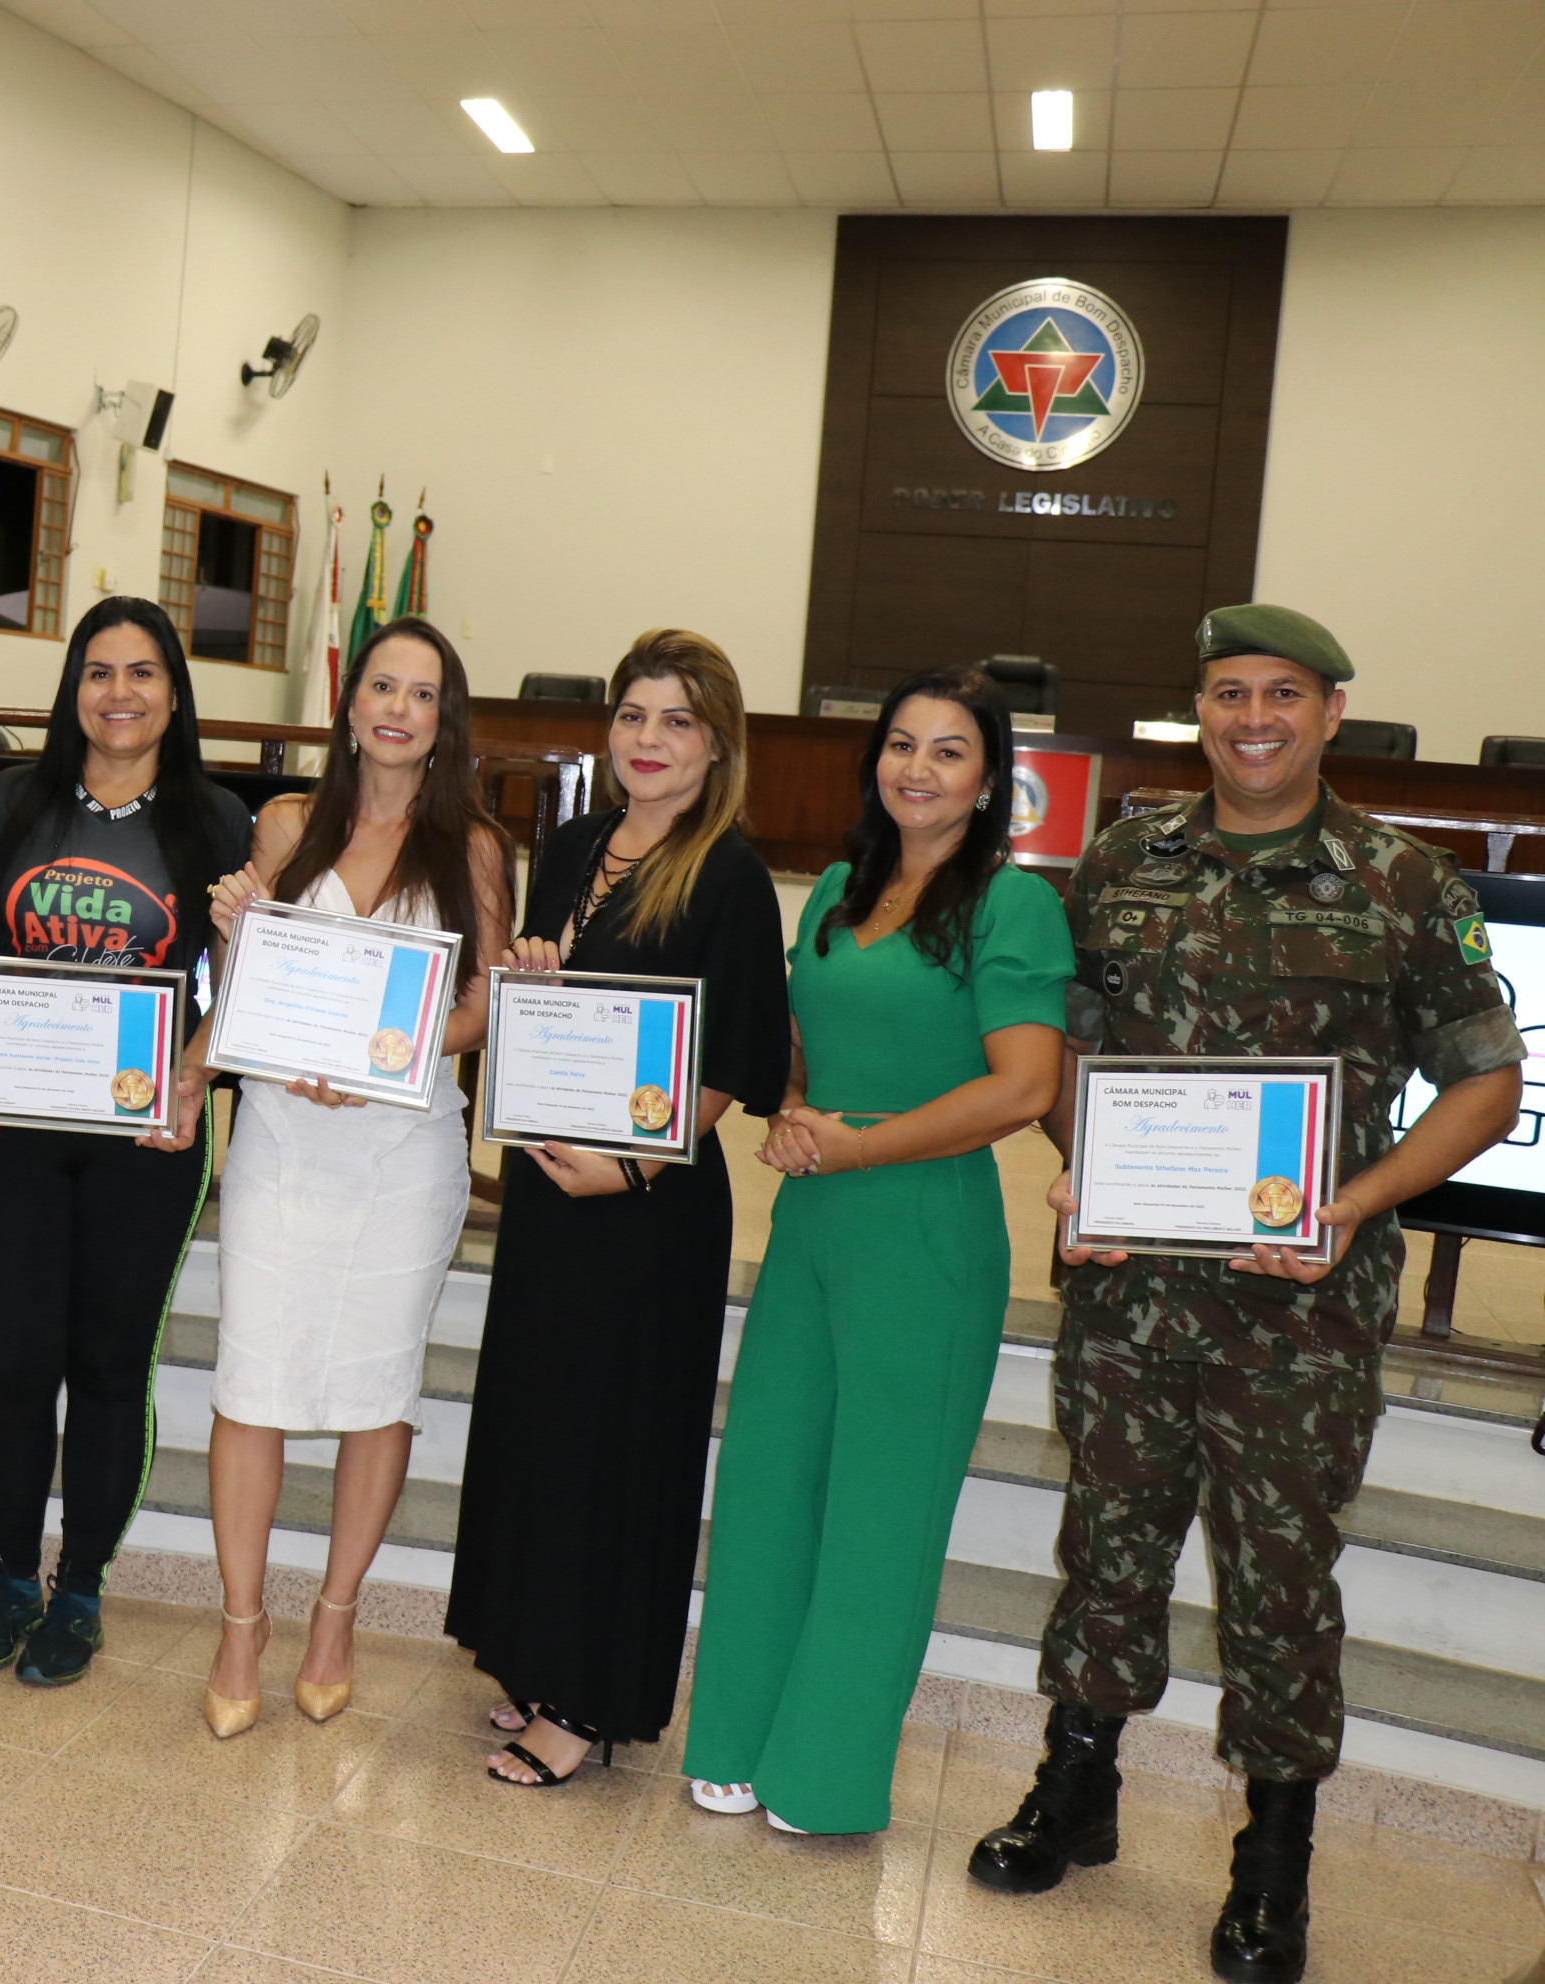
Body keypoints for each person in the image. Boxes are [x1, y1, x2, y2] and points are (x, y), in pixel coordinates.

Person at [966, 607, 1520, 1984]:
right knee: (1108, 1548)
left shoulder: (1401, 882)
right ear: (1197, 711)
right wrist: (1082, 1174)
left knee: (1280, 1586)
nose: (1252, 717)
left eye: (1282, 692)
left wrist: (1355, 1202)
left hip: (1302, 1310)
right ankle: (1075, 1788)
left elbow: (1486, 1081)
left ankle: (1274, 1860)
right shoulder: (1125, 859)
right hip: (1130, 1291)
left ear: (1332, 711)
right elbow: (1060, 1056)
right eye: (1227, 693)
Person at [679, 666, 1067, 1834]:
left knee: (880, 1511)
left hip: (924, 1232)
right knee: (766, 1479)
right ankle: (736, 1735)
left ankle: (829, 1774)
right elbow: (804, 1043)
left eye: (949, 751)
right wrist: (793, 1103)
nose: (917, 767)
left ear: (992, 779)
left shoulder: (1013, 905)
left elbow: (1024, 1085)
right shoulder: (841, 888)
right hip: (812, 1222)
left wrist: (860, 1146)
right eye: (901, 743)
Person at [443, 630, 791, 1788]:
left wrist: (631, 1169)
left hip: (646, 1207)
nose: (649, 740)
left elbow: (731, 1062)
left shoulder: (729, 874)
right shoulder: (578, 840)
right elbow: (550, 1002)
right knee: (540, 1426)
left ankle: (587, 1702)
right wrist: (535, 983)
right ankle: (535, 1664)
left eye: (677, 722)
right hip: (553, 1191)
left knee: (612, 1447)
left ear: (716, 744)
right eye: (634, 716)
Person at [200, 616, 514, 1738]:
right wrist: (233, 931)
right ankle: (242, 1622)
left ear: (444, 721)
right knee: (253, 1381)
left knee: (378, 1390)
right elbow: (249, 989)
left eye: (422, 693)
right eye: (381, 683)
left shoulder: (472, 845)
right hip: (284, 1138)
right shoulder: (287, 823)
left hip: (401, 1147)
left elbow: (484, 1005)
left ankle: (335, 1617)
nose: (397, 705)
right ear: (350, 704)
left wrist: (399, 1049)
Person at [0, 597, 253, 1686]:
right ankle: (13, 1575)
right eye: (99, 671)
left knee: (112, 1366)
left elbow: (244, 978)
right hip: (13, 1126)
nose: (120, 691)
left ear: (174, 692)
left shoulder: (218, 821)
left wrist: (193, 1075)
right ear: (74, 689)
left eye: (144, 672)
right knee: (12, 1364)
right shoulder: (13, 800)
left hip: (145, 1136)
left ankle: (80, 1591)